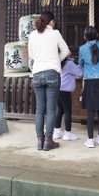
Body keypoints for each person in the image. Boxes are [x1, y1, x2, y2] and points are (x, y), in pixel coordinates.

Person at [28, 11, 71, 151]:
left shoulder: (33, 35)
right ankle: (48, 141)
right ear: (51, 22)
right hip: (52, 72)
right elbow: (66, 51)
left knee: (40, 109)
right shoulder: (55, 33)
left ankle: (39, 141)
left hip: (37, 73)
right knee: (51, 109)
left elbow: (31, 55)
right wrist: (56, 60)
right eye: (54, 22)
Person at [78, 25, 99, 148]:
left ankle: (90, 140)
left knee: (91, 111)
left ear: (84, 37)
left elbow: (80, 63)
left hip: (91, 80)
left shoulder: (82, 49)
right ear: (97, 35)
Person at [53, 57, 83, 141]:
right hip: (65, 91)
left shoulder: (57, 62)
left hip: (57, 89)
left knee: (60, 111)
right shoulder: (69, 63)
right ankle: (67, 133)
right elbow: (80, 73)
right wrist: (80, 66)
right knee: (68, 112)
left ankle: (57, 132)